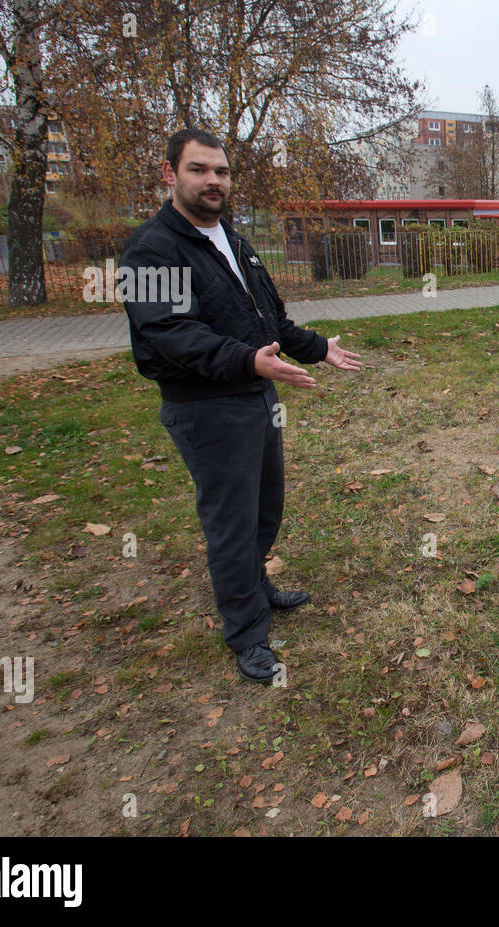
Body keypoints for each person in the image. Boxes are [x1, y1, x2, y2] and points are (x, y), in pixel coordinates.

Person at [120, 128, 362, 684]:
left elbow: (269, 322)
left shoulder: (232, 238)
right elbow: (170, 334)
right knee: (230, 523)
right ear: (170, 174)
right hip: (207, 407)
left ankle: (258, 588)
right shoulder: (152, 248)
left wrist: (319, 348)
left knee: (263, 508)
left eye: (221, 172)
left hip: (256, 396)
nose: (212, 181)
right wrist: (248, 361)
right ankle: (248, 634)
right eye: (199, 170)